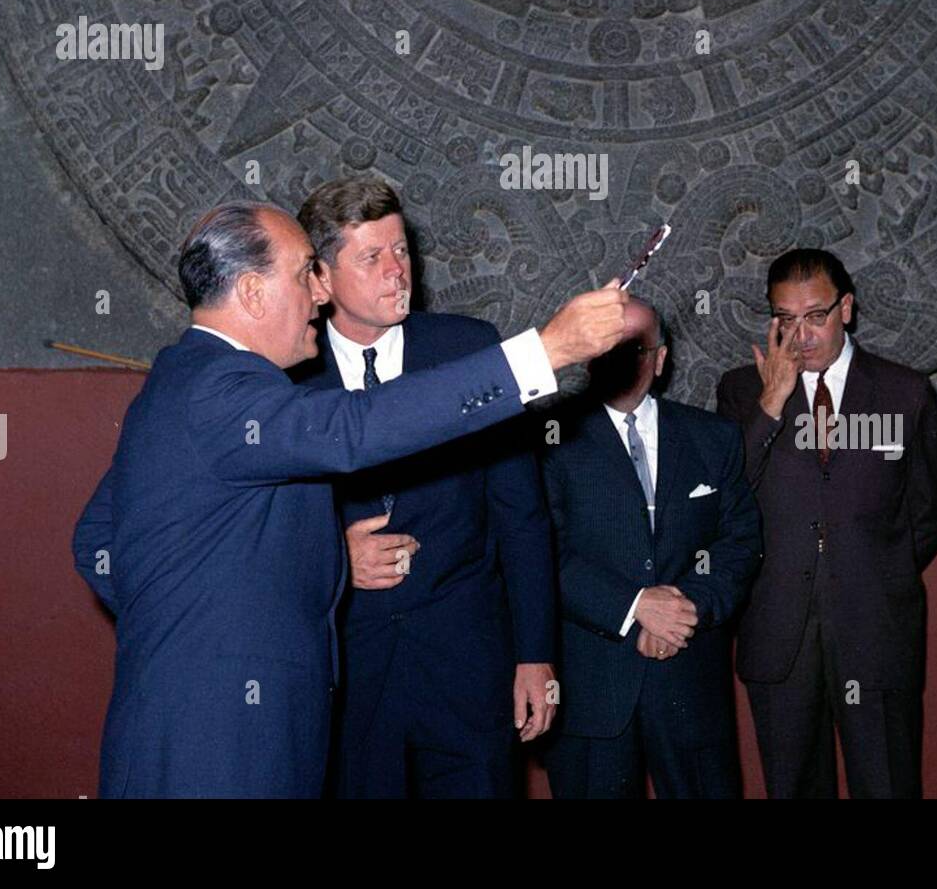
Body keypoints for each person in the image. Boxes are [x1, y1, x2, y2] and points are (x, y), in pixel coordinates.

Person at [71, 200, 626, 798]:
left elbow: (97, 539)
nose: (318, 293)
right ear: (255, 294)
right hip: (221, 740)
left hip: (224, 723)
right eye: (306, 273)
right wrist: (549, 351)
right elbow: (357, 429)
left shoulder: (185, 377)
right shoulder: (222, 390)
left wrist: (193, 625)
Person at [292, 177, 556, 798]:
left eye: (402, 250)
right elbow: (256, 526)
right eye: (372, 257)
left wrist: (535, 656)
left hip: (469, 667)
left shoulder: (471, 350)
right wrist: (335, 560)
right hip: (348, 674)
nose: (397, 271)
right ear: (322, 280)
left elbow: (522, 516)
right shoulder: (287, 379)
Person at [717, 248, 937, 798]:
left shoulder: (904, 392)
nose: (801, 335)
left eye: (816, 315)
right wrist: (771, 404)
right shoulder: (740, 392)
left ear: (846, 308)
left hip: (876, 630)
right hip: (779, 634)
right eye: (785, 319)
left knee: (887, 785)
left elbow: (929, 514)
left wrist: (872, 570)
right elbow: (727, 504)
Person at [542, 297, 761, 798]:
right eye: (611, 346)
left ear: (660, 359)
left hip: (690, 685)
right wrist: (636, 607)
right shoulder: (548, 441)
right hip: (592, 692)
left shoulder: (713, 437)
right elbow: (542, 553)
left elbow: (741, 542)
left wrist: (684, 610)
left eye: (636, 348)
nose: (622, 359)